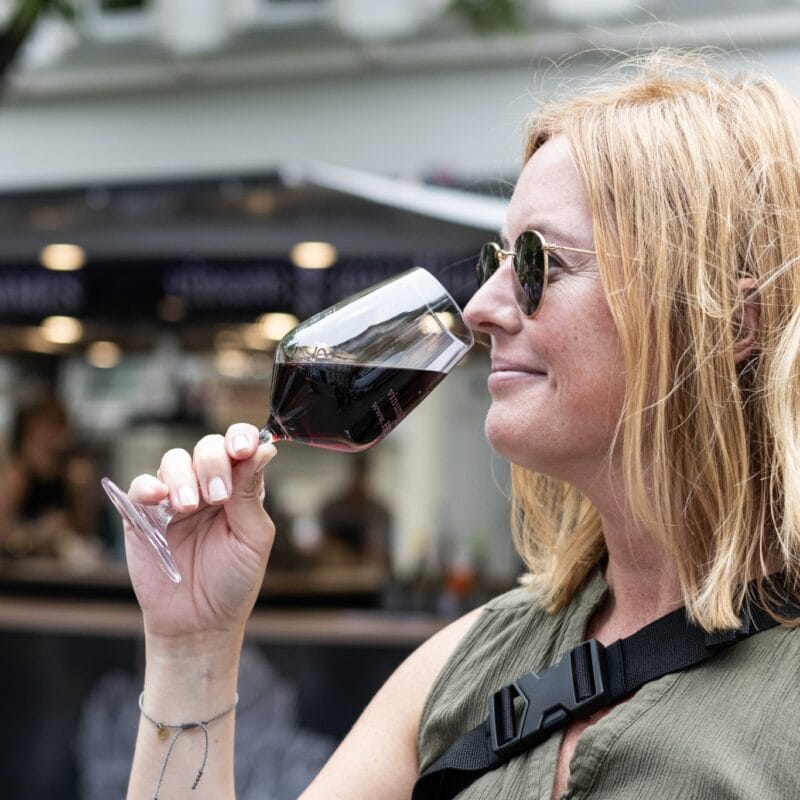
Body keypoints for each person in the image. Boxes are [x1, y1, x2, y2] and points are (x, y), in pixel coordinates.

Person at [121, 50, 800, 799]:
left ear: (731, 319)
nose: (479, 308)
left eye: (539, 264)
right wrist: (193, 647)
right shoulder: (477, 658)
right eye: (496, 258)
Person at [0, 397, 98, 559]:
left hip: (59, 569)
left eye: (62, 426)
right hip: (21, 571)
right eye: (53, 426)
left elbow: (86, 530)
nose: (61, 434)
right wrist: (37, 533)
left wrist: (81, 491)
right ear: (31, 430)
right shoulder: (17, 473)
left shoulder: (68, 472)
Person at [316, 454, 392, 572]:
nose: (358, 481)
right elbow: (325, 548)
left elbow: (382, 555)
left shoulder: (380, 513)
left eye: (361, 475)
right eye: (355, 475)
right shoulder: (332, 510)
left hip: (368, 578)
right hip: (336, 574)